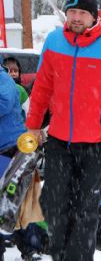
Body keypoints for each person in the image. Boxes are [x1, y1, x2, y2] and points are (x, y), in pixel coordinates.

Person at [25, 0, 101, 261]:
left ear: (94, 17)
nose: (76, 18)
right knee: (54, 205)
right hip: (58, 139)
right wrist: (33, 125)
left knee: (85, 208)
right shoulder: (54, 42)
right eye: (72, 12)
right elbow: (42, 87)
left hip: (96, 142)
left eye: (82, 13)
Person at [0, 57, 26, 261]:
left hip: (8, 149)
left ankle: (31, 246)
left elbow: (5, 104)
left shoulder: (4, 79)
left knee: (12, 201)